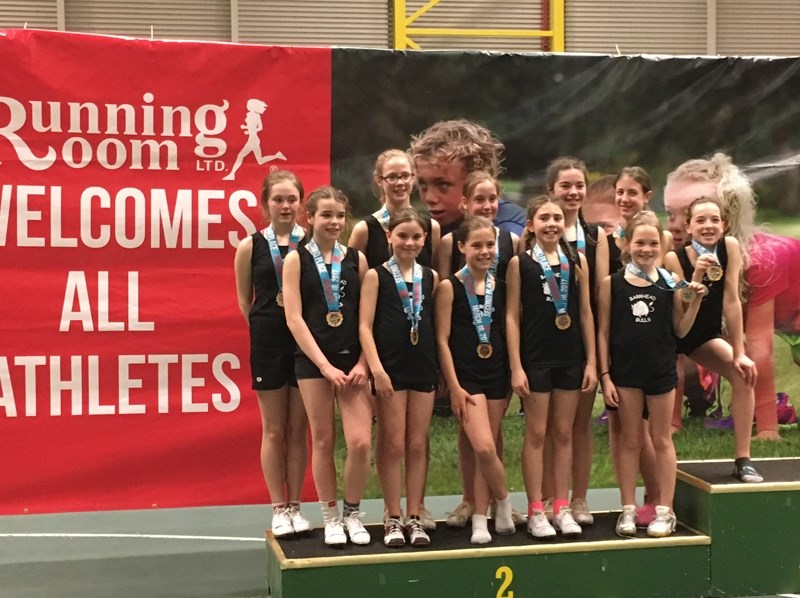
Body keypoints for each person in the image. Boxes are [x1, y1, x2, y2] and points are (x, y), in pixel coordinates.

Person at [665, 153, 800, 440]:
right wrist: (670, 425)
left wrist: (767, 429)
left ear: (725, 219)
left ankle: (767, 419)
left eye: (686, 214)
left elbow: (760, 348)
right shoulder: (680, 256)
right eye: (671, 213)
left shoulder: (759, 261)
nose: (675, 224)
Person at [597, 211, 708, 538]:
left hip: (660, 374)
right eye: (639, 242)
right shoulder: (612, 284)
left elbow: (680, 329)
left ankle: (665, 510)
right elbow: (603, 332)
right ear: (628, 245)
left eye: (652, 243)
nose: (646, 249)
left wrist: (696, 303)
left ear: (661, 246)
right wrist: (605, 375)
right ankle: (628, 508)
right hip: (626, 375)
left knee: (661, 439)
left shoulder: (671, 283)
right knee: (630, 441)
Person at [282, 186, 372, 547]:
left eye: (339, 216)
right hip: (313, 362)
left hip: (353, 364)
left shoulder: (357, 260)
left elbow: (368, 319)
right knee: (322, 439)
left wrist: (364, 362)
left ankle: (352, 512)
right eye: (326, 215)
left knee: (361, 442)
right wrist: (323, 365)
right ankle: (330, 515)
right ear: (309, 218)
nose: (334, 222)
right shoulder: (296, 260)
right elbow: (293, 318)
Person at [436, 172, 523, 529]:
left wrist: (516, 369)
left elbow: (510, 322)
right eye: (477, 246)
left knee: (489, 442)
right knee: (481, 445)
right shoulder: (448, 286)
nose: (485, 251)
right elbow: (441, 337)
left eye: (489, 246)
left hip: (497, 371)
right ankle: (500, 503)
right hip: (465, 374)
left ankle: (482, 516)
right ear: (462, 248)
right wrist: (452, 384)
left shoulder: (503, 283)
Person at [506, 196, 596, 539]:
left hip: (571, 358)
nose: (552, 224)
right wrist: (516, 366)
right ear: (531, 225)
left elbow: (585, 312)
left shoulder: (578, 261)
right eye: (544, 218)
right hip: (536, 359)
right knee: (537, 433)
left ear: (566, 224)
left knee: (563, 432)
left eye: (557, 218)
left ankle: (561, 505)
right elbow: (512, 316)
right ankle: (535, 509)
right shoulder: (521, 264)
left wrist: (592, 361)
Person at [664, 196, 762, 482]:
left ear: (724, 224)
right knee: (657, 396)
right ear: (689, 226)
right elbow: (681, 310)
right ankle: (658, 462)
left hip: (703, 336)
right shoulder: (675, 258)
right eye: (701, 220)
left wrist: (739, 351)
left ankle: (743, 459)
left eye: (714, 220)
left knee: (744, 375)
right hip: (673, 332)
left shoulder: (729, 248)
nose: (708, 226)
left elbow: (731, 300)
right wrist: (696, 275)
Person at [233, 170, 310, 537]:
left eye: (291, 199)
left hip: (304, 342)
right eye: (278, 199)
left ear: (301, 203)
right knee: (274, 429)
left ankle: (296, 504)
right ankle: (278, 506)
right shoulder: (250, 246)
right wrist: (266, 328)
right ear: (266, 204)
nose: (285, 205)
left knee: (299, 428)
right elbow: (244, 301)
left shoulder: (309, 245)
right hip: (267, 341)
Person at [359, 208, 439, 547]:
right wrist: (376, 369)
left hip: (422, 368)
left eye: (416, 237)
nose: (409, 242)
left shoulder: (431, 277)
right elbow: (363, 326)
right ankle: (392, 515)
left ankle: (415, 514)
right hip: (389, 370)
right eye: (402, 236)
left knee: (418, 444)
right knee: (392, 443)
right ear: (389, 236)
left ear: (424, 240)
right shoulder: (377, 276)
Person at [542, 157, 609, 527]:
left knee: (578, 425)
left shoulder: (596, 238)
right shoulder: (537, 234)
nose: (573, 192)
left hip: (580, 341)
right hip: (543, 344)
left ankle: (577, 498)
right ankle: (548, 497)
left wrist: (596, 354)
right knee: (548, 427)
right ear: (551, 190)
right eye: (565, 185)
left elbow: (598, 296)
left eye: (579, 185)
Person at [409, 119, 527, 236]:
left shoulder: (509, 232)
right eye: (423, 185)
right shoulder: (424, 230)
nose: (429, 198)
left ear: (476, 180)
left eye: (443, 185)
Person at [349, 149, 440, 268]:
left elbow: (436, 278)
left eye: (405, 176)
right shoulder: (364, 230)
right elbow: (352, 277)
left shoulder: (432, 227)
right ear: (380, 181)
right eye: (392, 177)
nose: (400, 182)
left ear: (413, 178)